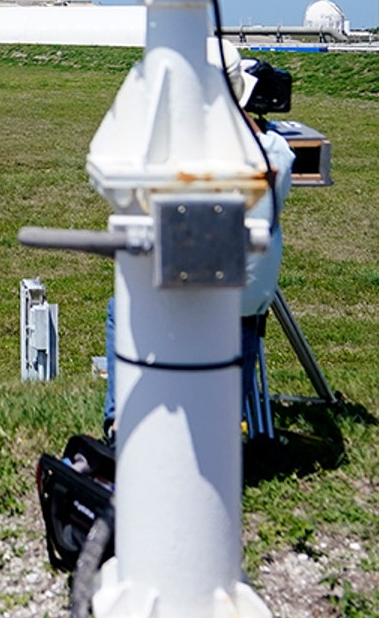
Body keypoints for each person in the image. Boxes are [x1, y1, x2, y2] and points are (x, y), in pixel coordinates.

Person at [103, 39, 295, 438]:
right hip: (250, 300)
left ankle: (122, 421)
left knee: (120, 306)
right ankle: (219, 427)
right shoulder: (277, 151)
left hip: (187, 296)